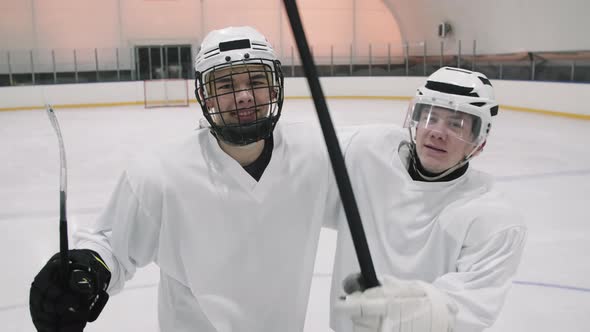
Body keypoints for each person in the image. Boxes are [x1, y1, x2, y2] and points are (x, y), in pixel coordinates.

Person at [29, 26, 337, 332]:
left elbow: (376, 171)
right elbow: (111, 243)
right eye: (226, 84)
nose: (243, 96)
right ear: (208, 97)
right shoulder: (162, 174)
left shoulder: (313, 156)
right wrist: (87, 267)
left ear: (274, 88)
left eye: (255, 81)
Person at [330, 67, 527, 332]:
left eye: (456, 124)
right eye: (430, 116)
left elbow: (468, 306)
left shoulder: (493, 219)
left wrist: (400, 312)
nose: (437, 132)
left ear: (479, 142)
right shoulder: (367, 154)